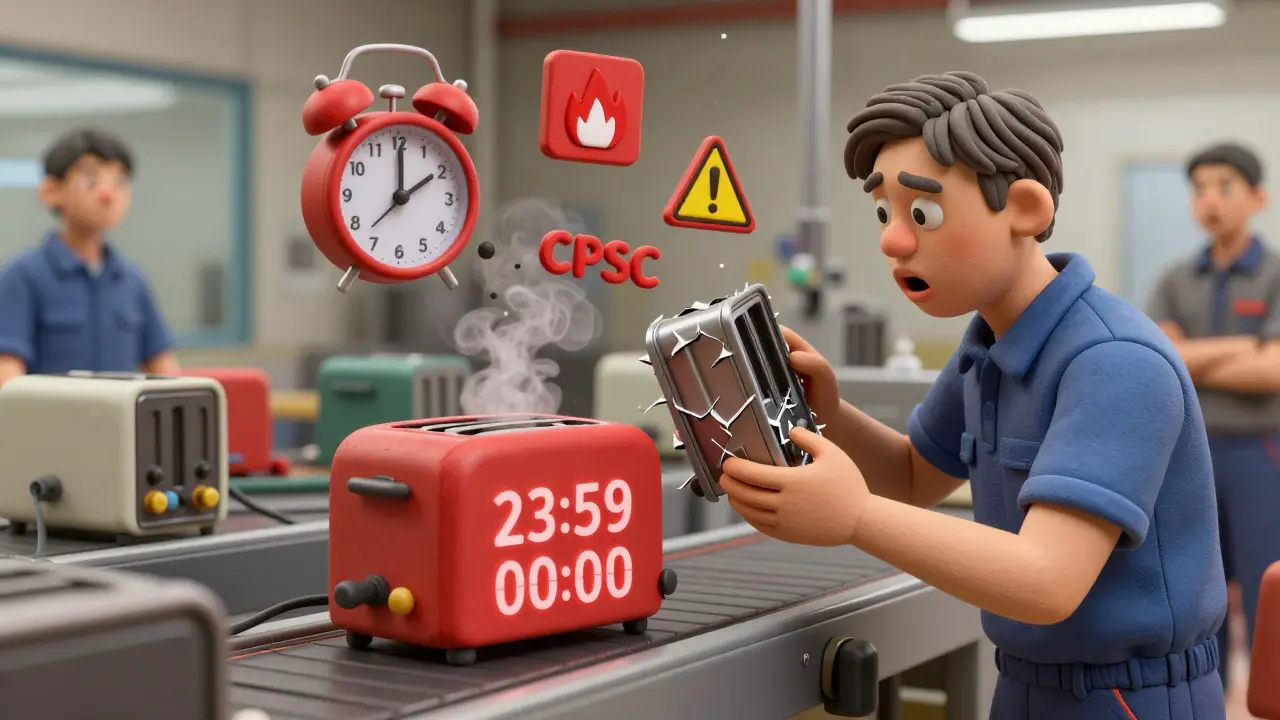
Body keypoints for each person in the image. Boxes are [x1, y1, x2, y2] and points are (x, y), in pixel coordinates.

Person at [719, 72, 1227, 719]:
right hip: (1025, 683)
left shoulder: (1114, 361)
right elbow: (910, 478)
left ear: (1024, 208)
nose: (893, 241)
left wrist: (853, 517)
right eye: (885, 213)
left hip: (1129, 696)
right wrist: (832, 416)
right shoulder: (989, 344)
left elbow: (1047, 580)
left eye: (922, 213)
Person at [1147, 141, 1280, 692]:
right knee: (1198, 589)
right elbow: (1161, 354)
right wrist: (1244, 347)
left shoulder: (1275, 274)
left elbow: (1273, 373)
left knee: (1265, 583)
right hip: (1190, 453)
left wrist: (1194, 356)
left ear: (1256, 197)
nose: (1210, 200)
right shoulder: (1176, 278)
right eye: (1199, 188)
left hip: (1260, 455)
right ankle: (1208, 696)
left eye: (1224, 187)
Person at [0, 127, 179, 387]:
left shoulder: (132, 281)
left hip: (123, 424)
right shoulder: (23, 276)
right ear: (52, 191)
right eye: (91, 180)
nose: (108, 195)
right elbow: (7, 371)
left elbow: (161, 364)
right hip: (54, 424)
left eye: (119, 182)